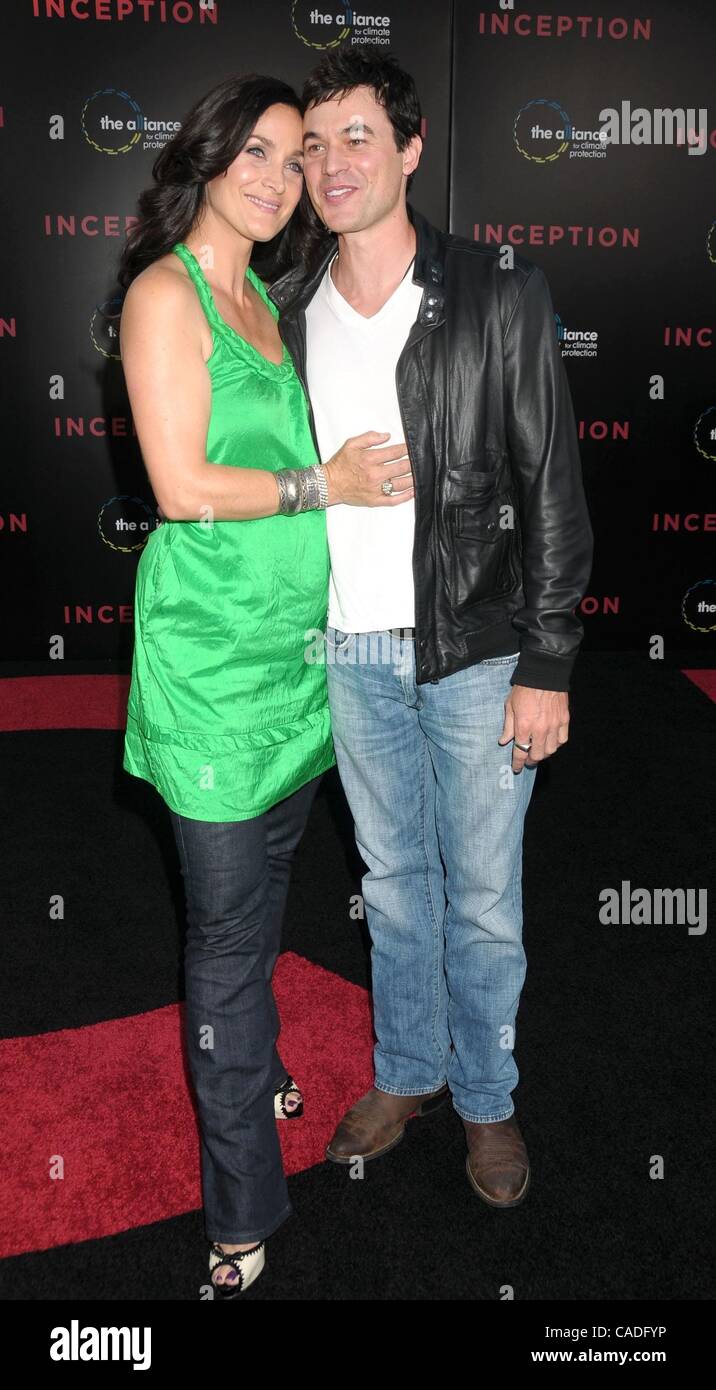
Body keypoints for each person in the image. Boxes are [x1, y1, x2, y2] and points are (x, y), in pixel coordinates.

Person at [267, 49, 594, 1208]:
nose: (330, 164)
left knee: (483, 894)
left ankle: (487, 1096)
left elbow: (549, 484)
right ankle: (407, 1073)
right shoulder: (287, 309)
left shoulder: (496, 292)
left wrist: (545, 661)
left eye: (355, 137)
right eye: (312, 145)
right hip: (348, 651)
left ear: (408, 149)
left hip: (475, 646)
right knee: (392, 878)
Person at [118, 73, 413, 1298]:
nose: (276, 177)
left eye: (294, 159)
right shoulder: (163, 295)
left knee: (270, 902)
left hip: (296, 668)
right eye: (255, 150)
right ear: (207, 157)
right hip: (210, 678)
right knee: (229, 946)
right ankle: (240, 1214)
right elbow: (182, 486)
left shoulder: (262, 298)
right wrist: (321, 487)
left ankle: (256, 1060)